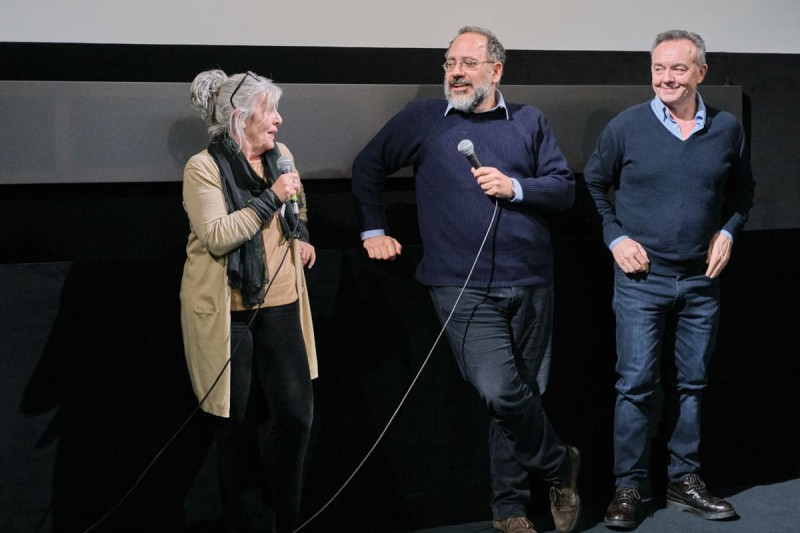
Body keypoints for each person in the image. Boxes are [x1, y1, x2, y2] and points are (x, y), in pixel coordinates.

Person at [352, 26, 580, 533]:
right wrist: (373, 229)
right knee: (501, 391)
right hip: (461, 284)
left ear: (495, 71)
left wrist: (516, 187)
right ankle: (561, 464)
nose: (456, 71)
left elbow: (564, 189)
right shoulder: (424, 119)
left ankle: (510, 510)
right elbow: (368, 167)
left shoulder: (529, 121)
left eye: (468, 63)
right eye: (450, 62)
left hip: (533, 280)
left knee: (523, 396)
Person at [583, 30, 755, 530]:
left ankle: (685, 479)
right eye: (659, 68)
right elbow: (592, 184)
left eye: (678, 69)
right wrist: (615, 238)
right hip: (642, 280)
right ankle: (629, 486)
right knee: (636, 385)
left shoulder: (726, 129)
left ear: (701, 72)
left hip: (701, 281)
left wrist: (727, 231)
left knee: (693, 384)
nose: (666, 78)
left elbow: (743, 191)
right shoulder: (626, 127)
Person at [180, 69, 318, 533]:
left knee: (296, 416)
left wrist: (301, 236)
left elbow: (297, 208)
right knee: (234, 428)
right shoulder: (203, 167)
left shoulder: (282, 157)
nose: (278, 121)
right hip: (230, 314)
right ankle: (243, 522)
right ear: (240, 118)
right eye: (268, 112)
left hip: (280, 305)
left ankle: (287, 520)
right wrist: (270, 200)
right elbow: (217, 236)